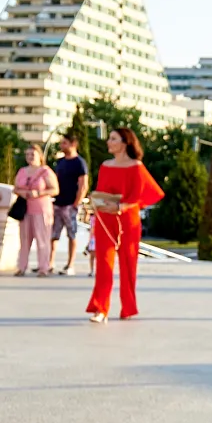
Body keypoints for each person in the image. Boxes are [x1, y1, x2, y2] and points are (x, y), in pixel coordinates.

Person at [85, 128, 164, 323]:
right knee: (104, 263)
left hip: (128, 220)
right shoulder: (105, 165)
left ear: (125, 142)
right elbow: (101, 190)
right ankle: (100, 309)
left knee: (128, 265)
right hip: (105, 219)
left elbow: (138, 195)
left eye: (113, 139)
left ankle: (128, 308)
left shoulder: (136, 166)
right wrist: (96, 203)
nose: (108, 142)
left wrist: (121, 206)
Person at [13, 145, 59, 277]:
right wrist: (23, 193)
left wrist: (39, 192)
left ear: (39, 156)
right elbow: (16, 188)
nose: (30, 157)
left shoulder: (46, 171)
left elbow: (55, 190)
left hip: (41, 209)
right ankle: (21, 267)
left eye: (32, 154)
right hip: (25, 209)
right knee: (24, 239)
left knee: (42, 239)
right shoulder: (22, 171)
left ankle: (43, 268)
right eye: (27, 155)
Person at [49, 133, 89, 276]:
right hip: (57, 203)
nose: (61, 146)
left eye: (64, 143)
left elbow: (83, 185)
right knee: (53, 235)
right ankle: (50, 263)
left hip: (70, 205)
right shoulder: (60, 162)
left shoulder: (79, 163)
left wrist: (76, 204)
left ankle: (70, 265)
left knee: (71, 234)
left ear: (73, 144)